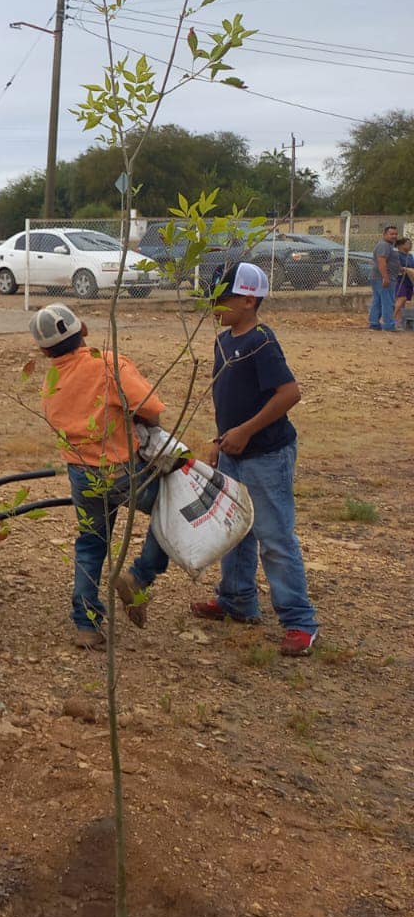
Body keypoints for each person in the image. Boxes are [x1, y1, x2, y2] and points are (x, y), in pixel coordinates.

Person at [191, 262, 319, 656]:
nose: (215, 307)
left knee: (274, 537)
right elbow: (228, 399)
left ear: (248, 300)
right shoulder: (223, 341)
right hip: (233, 453)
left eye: (222, 299)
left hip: (266, 455)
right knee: (235, 531)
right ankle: (237, 600)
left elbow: (289, 393)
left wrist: (246, 431)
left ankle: (299, 622)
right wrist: (221, 438)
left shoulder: (262, 341)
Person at [30, 303, 171, 650]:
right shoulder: (107, 364)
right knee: (169, 513)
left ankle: (86, 625)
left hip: (81, 473)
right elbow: (151, 408)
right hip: (122, 469)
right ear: (85, 330)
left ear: (44, 350)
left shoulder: (51, 382)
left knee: (92, 543)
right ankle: (139, 577)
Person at [370, 223, 400, 332]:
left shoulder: (390, 246)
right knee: (388, 301)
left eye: (396, 234)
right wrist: (385, 277)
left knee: (377, 301)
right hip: (383, 278)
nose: (394, 236)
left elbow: (390, 261)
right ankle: (388, 325)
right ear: (384, 234)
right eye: (391, 234)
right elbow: (381, 261)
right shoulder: (384, 245)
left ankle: (374, 324)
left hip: (380, 277)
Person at [392, 237, 413, 330]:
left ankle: (398, 322)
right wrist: (404, 269)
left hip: (409, 280)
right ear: (401, 245)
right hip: (400, 280)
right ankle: (390, 319)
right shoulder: (397, 255)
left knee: (403, 302)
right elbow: (396, 266)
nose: (410, 245)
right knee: (401, 298)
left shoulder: (411, 256)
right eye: (408, 243)